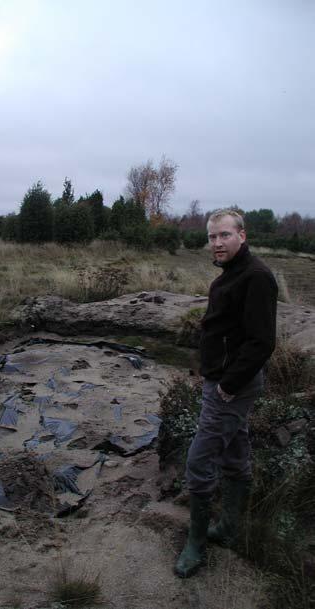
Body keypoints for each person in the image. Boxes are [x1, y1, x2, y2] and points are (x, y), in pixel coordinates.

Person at [174, 209, 278, 578]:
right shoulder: (231, 275)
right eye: (213, 237)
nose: (217, 243)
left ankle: (196, 545)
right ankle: (229, 528)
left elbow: (262, 341)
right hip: (223, 380)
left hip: (231, 386)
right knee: (234, 453)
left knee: (199, 462)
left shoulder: (256, 278)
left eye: (224, 236)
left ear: (242, 236)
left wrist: (227, 386)